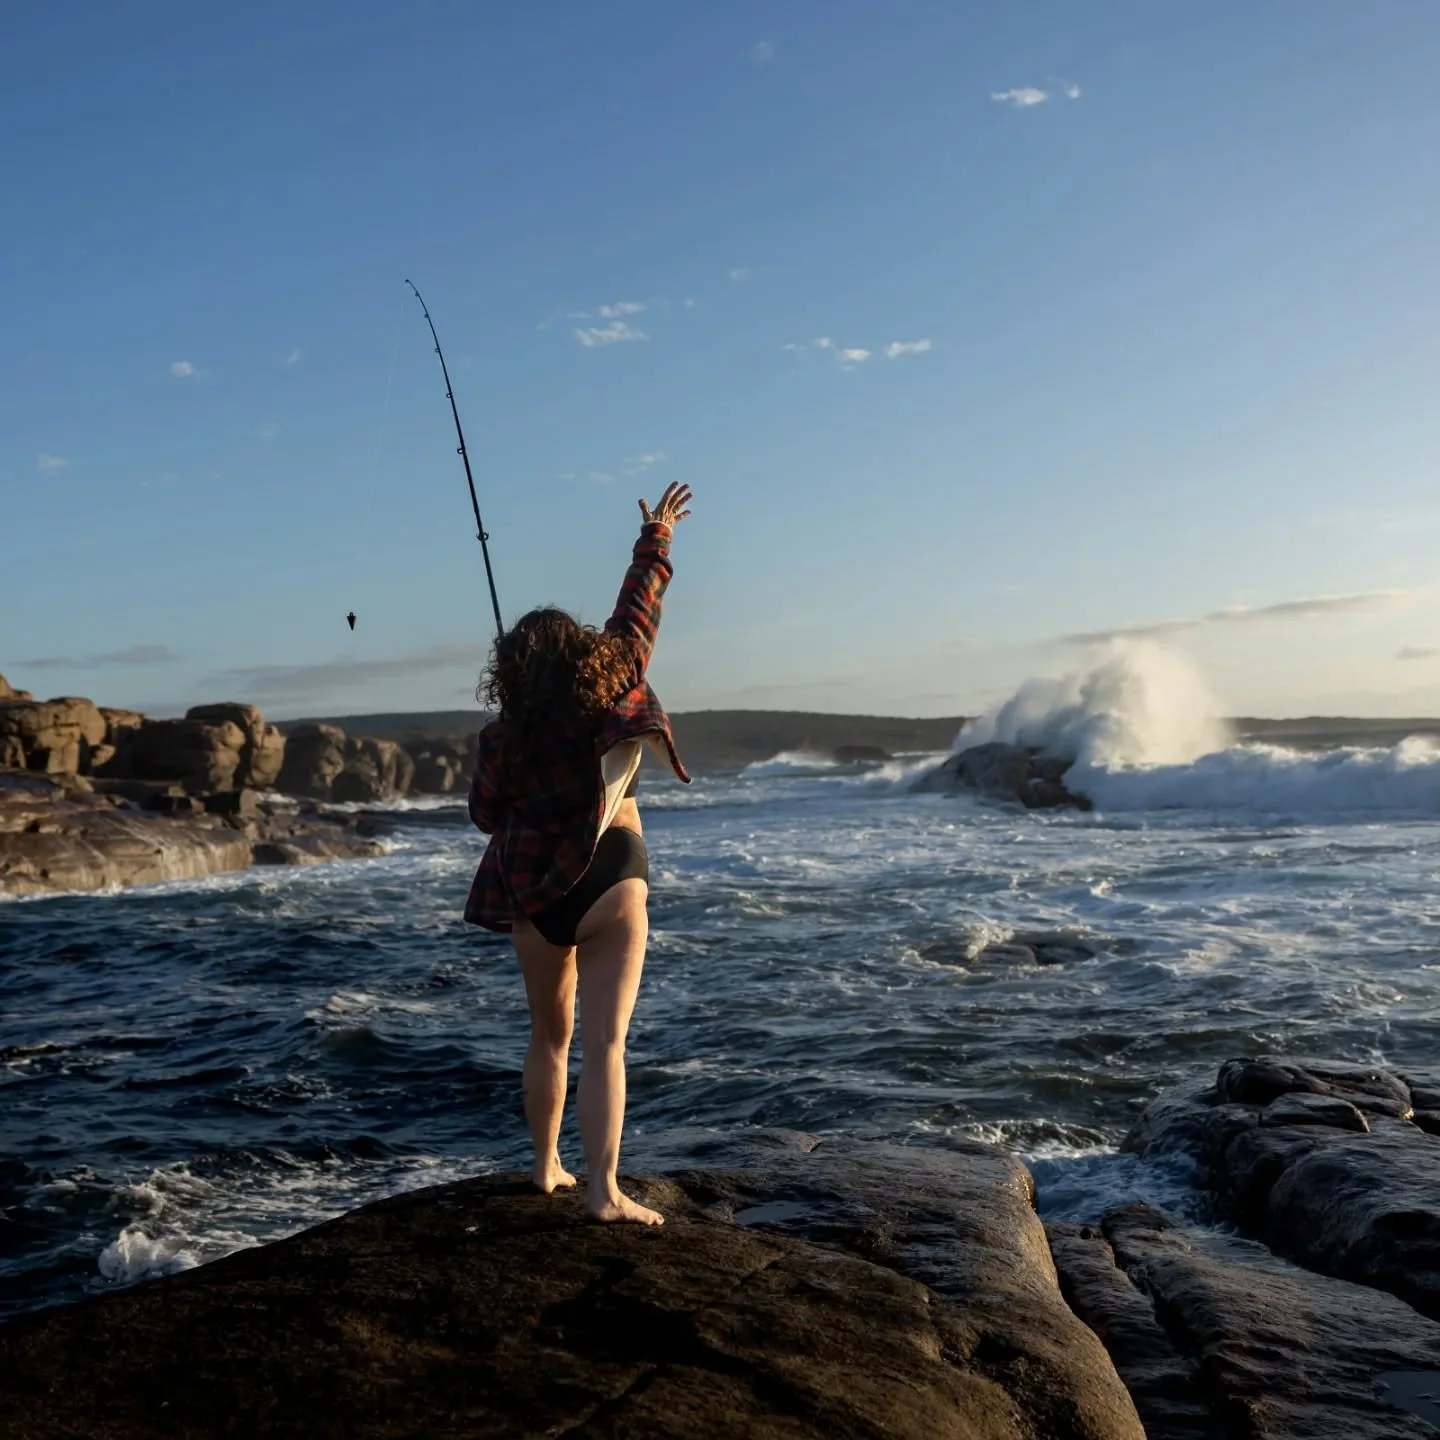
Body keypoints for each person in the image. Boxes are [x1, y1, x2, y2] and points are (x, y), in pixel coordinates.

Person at [464, 482, 693, 1225]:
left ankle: (543, 1167)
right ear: (581, 655)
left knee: (548, 1037)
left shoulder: (500, 738)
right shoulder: (616, 677)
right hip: (611, 879)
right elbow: (637, 608)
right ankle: (603, 1193)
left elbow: (483, 816)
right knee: (608, 1043)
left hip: (537, 895)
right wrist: (656, 535)